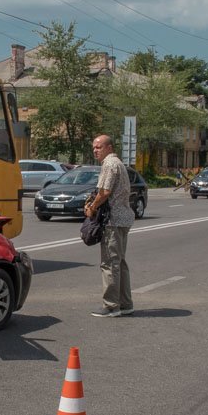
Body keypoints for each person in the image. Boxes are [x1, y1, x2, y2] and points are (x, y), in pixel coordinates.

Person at [84, 134, 134, 317]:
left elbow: (104, 192)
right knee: (119, 262)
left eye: (99, 147)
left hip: (113, 220)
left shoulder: (110, 164)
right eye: (94, 147)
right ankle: (126, 303)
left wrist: (92, 207)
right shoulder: (118, 163)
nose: (95, 150)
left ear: (109, 147)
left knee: (109, 263)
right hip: (122, 219)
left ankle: (111, 306)